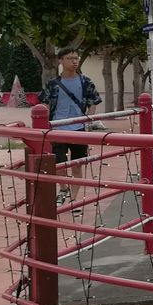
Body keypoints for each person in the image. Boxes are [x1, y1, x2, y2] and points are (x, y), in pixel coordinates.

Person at [38, 47, 101, 208]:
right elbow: (44, 104)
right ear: (60, 61)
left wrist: (88, 121)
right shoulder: (53, 84)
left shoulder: (86, 82)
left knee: (77, 164)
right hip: (57, 129)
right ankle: (63, 189)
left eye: (76, 58)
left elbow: (93, 102)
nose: (74, 61)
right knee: (59, 164)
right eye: (69, 58)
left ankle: (73, 200)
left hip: (78, 129)